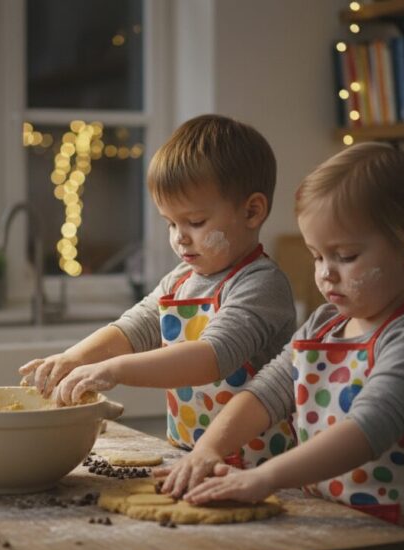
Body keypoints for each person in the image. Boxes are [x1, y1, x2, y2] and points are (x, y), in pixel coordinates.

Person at [158, 143, 404, 550]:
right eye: (317, 255)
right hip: (333, 534)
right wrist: (210, 449)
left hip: (400, 546)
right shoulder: (324, 324)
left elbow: (367, 430)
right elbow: (266, 392)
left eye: (344, 256)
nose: (325, 273)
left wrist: (264, 478)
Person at [20, 114, 297, 467]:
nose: (179, 237)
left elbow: (213, 357)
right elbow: (135, 328)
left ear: (252, 211)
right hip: (188, 454)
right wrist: (75, 358)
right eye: (170, 223)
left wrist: (114, 370)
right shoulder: (180, 278)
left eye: (195, 222)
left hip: (257, 466)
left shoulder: (260, 284)